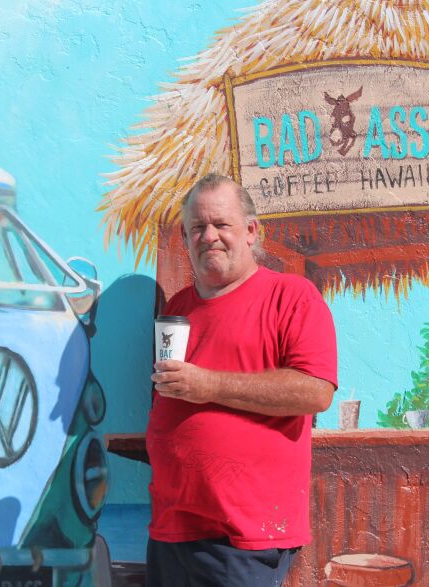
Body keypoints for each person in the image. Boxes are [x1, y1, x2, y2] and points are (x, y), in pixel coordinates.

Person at [146, 173, 338, 586]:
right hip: (171, 526)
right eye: (197, 227)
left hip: (241, 535)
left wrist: (210, 385)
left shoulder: (291, 296)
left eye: (221, 224)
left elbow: (315, 391)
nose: (209, 236)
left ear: (251, 231)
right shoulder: (179, 306)